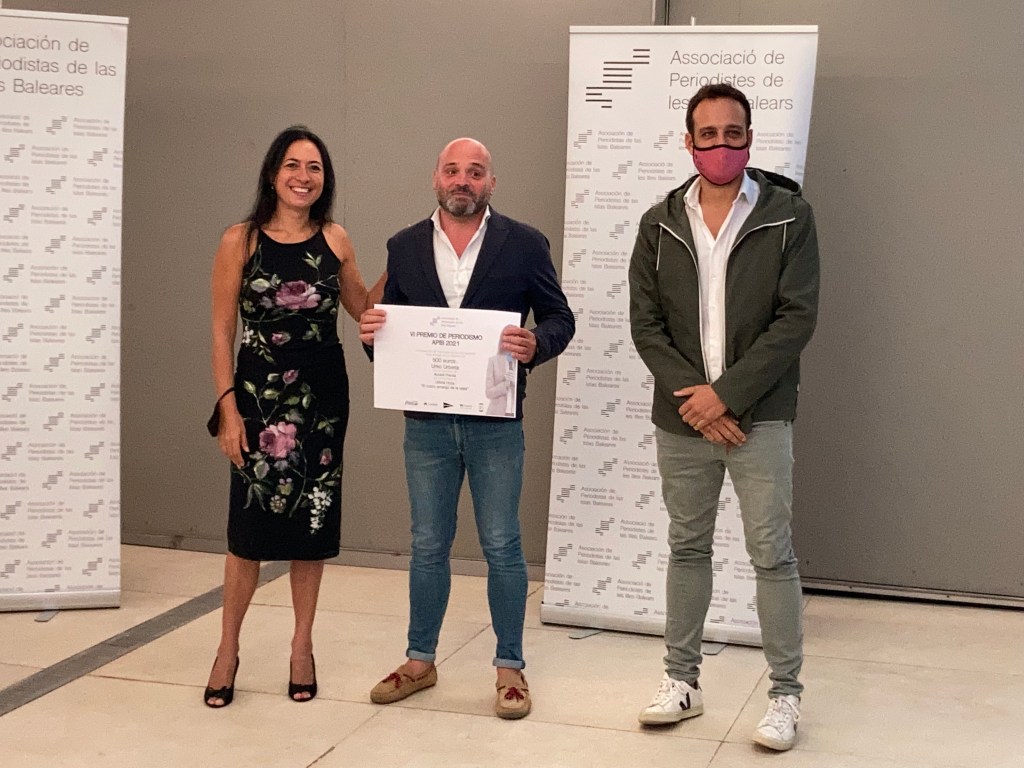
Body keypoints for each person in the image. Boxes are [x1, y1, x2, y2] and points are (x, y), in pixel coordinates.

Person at [628, 83, 819, 751]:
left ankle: (785, 695)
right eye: (707, 134)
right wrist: (699, 400)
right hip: (683, 418)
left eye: (732, 133)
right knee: (687, 546)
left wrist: (728, 396)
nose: (721, 145)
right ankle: (682, 681)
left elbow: (796, 318)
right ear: (689, 142)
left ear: (749, 139)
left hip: (759, 417)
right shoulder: (658, 223)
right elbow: (647, 325)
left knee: (772, 554)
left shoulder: (789, 216)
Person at [359, 137, 574, 719]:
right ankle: (420, 661)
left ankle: (510, 668)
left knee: (502, 543)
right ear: (436, 177)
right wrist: (374, 338)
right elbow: (393, 333)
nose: (463, 180)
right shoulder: (404, 245)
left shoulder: (524, 243)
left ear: (491, 183)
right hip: (426, 425)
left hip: (494, 421)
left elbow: (560, 317)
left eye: (475, 172)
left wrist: (536, 343)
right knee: (428, 543)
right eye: (452, 170)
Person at [205, 126, 383, 708]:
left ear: (324, 179)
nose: (303, 177)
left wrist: (408, 259)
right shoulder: (240, 240)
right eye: (292, 165)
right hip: (258, 400)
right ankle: (227, 649)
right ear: (272, 173)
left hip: (323, 401)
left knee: (311, 528)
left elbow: (364, 309)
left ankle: (301, 647)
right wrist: (228, 410)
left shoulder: (335, 238)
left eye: (314, 168)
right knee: (247, 535)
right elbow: (221, 332)